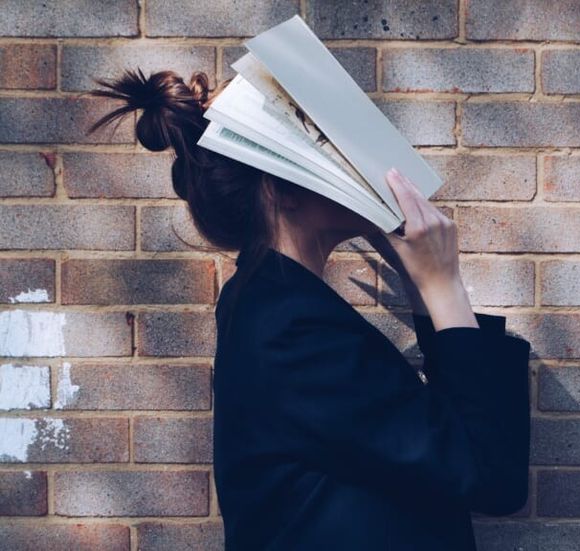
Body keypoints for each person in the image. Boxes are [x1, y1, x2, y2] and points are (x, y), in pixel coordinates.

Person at [86, 68, 531, 550]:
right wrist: (444, 285)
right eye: (329, 153)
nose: (357, 167)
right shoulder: (289, 329)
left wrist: (422, 283)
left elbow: (445, 450)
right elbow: (489, 475)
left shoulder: (274, 307)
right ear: (284, 189)